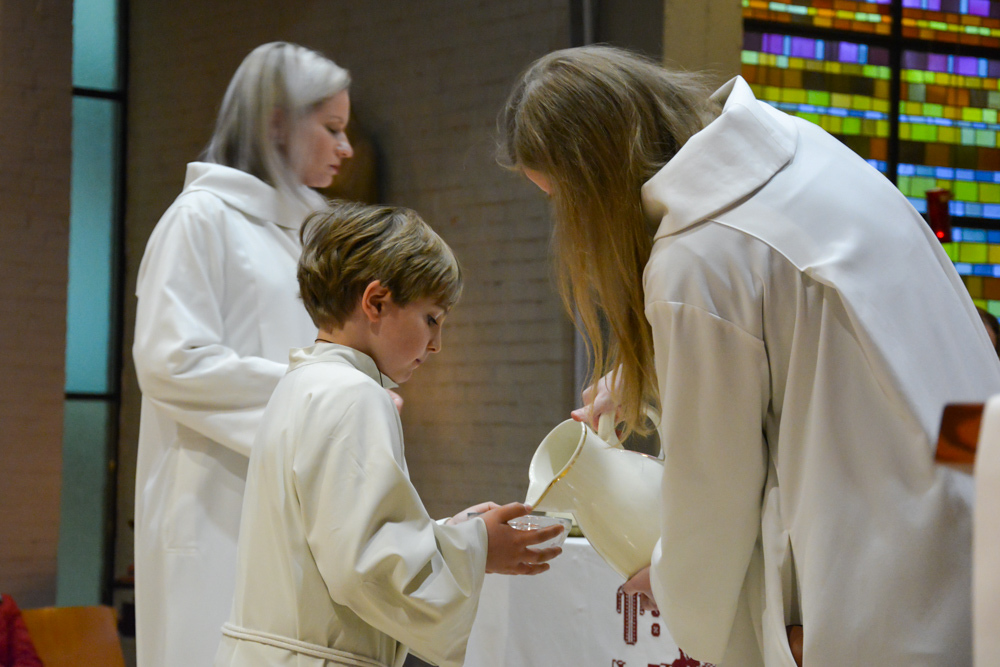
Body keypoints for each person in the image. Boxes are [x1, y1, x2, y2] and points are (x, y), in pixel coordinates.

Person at [499, 45, 1000, 666]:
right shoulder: (801, 150)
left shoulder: (695, 260)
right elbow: (818, 336)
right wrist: (649, 370)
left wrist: (674, 586)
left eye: (561, 201)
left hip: (890, 582)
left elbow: (713, 497)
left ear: (593, 185)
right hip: (968, 500)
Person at [214, 201, 563, 667]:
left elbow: (338, 541)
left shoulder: (301, 382)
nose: (437, 345)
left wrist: (446, 535)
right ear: (376, 302)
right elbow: (367, 568)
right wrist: (478, 547)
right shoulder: (354, 395)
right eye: (432, 319)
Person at [132, 42, 360, 667]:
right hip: (214, 506)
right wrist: (323, 398)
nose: (346, 148)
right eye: (332, 128)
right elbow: (172, 362)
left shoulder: (308, 233)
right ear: (276, 124)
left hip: (292, 504)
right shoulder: (199, 219)